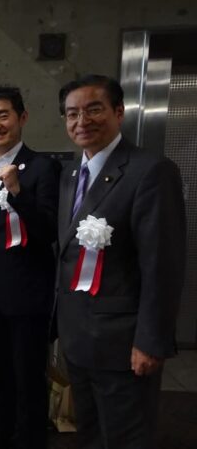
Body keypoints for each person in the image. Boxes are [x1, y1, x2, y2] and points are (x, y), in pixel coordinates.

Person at [56, 75, 186, 449]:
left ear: (118, 112)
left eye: (94, 109)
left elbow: (162, 265)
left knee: (126, 438)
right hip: (78, 340)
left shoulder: (151, 171)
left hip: (123, 346)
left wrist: (151, 342)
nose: (82, 121)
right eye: (72, 114)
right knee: (90, 435)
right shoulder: (71, 173)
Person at [0, 86, 60, 449]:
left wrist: (18, 192)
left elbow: (49, 230)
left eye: (2, 115)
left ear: (22, 118)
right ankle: (0, 432)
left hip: (27, 293)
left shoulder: (43, 167)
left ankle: (30, 439)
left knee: (28, 376)